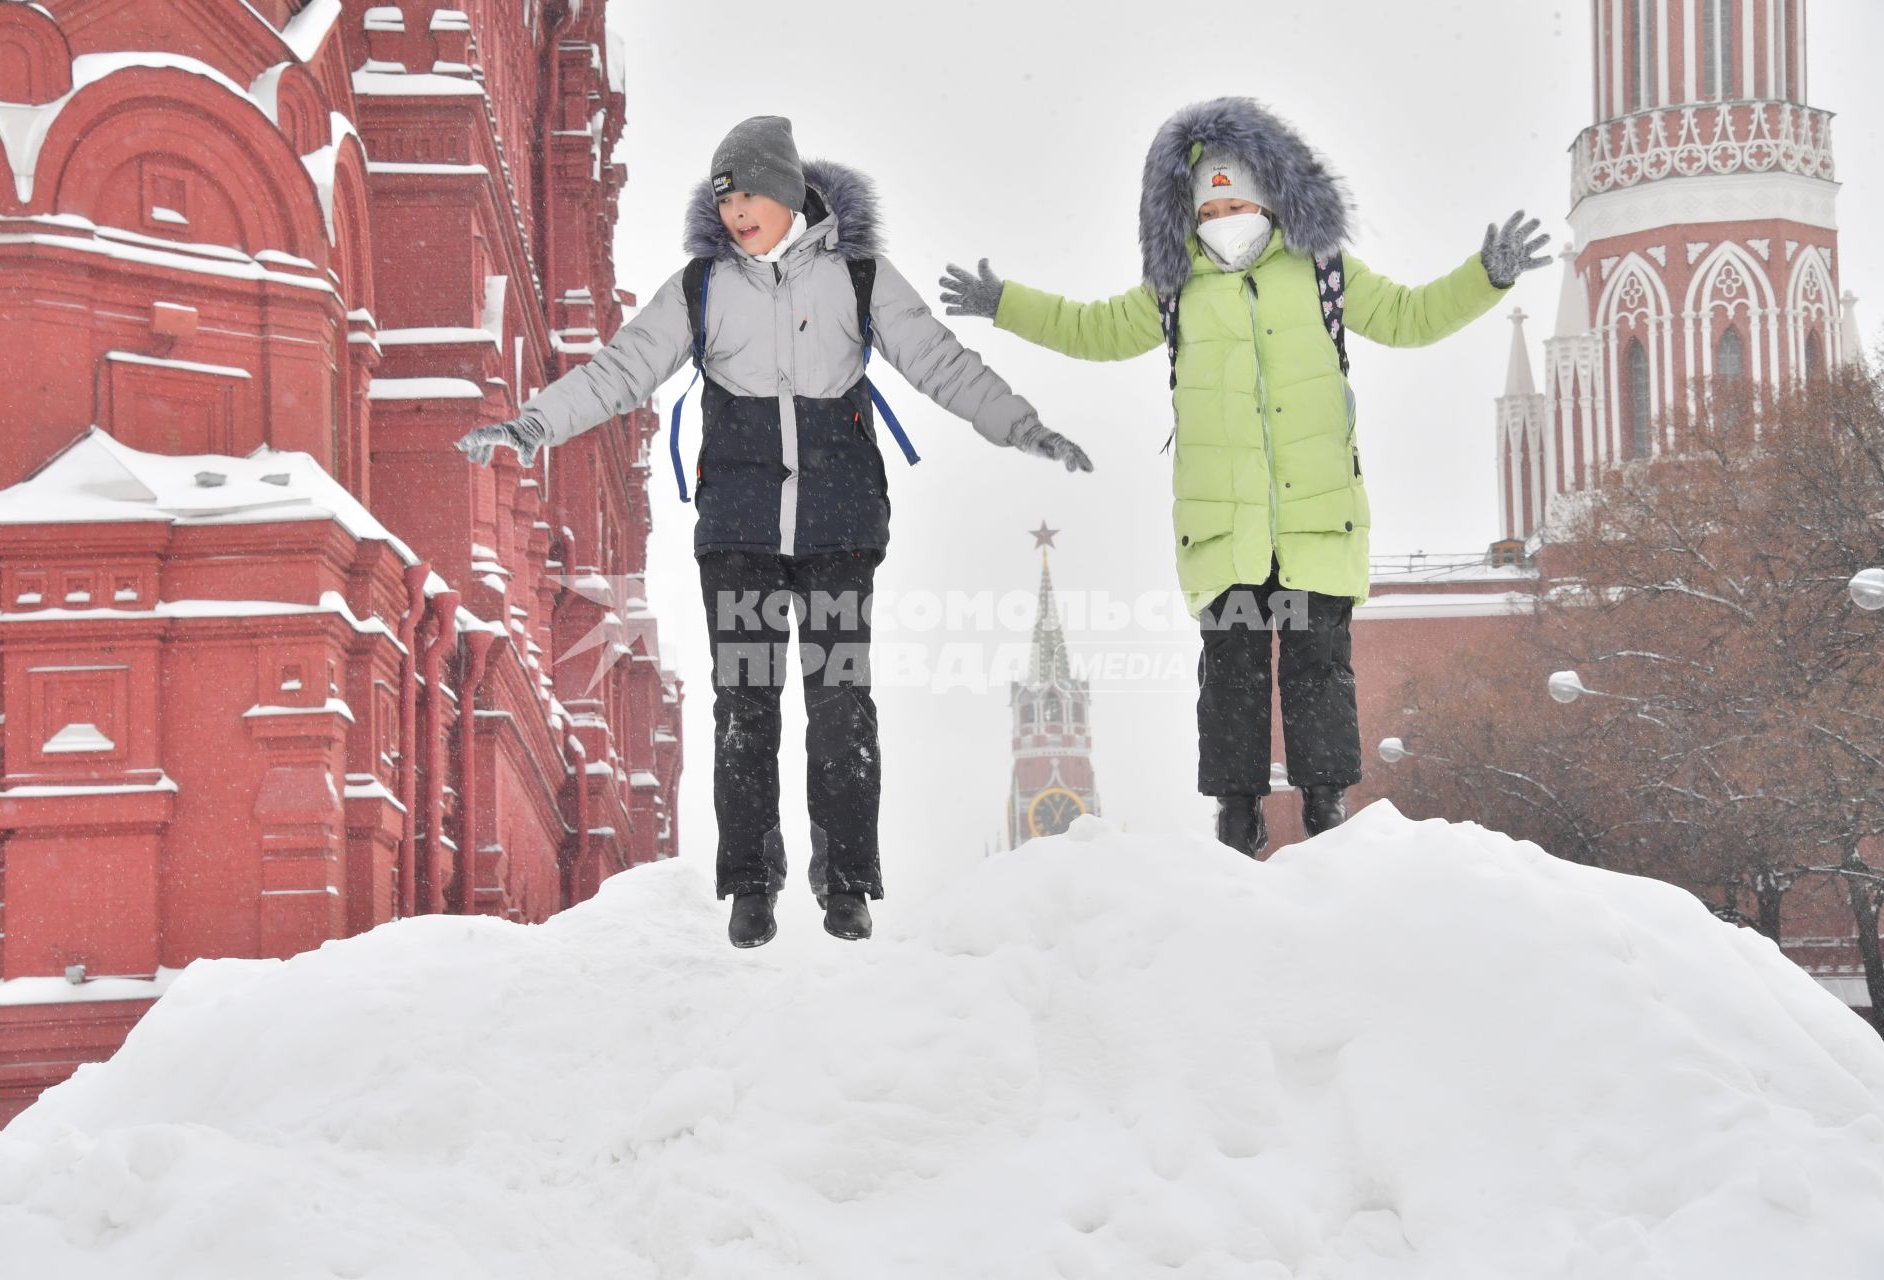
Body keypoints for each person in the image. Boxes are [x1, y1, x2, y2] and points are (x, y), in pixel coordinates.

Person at [458, 116, 1091, 946]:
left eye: (751, 193)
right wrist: (530, 426)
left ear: (789, 191)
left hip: (838, 528)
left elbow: (940, 361)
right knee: (744, 707)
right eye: (725, 199)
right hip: (741, 533)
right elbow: (620, 371)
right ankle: (750, 881)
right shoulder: (701, 288)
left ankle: (848, 880)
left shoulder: (860, 278)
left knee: (840, 705)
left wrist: (1023, 425)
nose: (737, 212)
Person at [939, 97, 1550, 858]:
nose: (1223, 215)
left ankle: (1327, 807)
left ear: (1271, 201)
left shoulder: (1322, 274)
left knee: (1318, 669)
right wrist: (1006, 304)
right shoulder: (1175, 292)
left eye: (1237, 201)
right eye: (1210, 205)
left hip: (1317, 522)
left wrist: (1484, 278)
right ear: (1188, 215)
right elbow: (1089, 329)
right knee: (1230, 673)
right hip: (1223, 529)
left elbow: (1410, 316)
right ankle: (1237, 815)